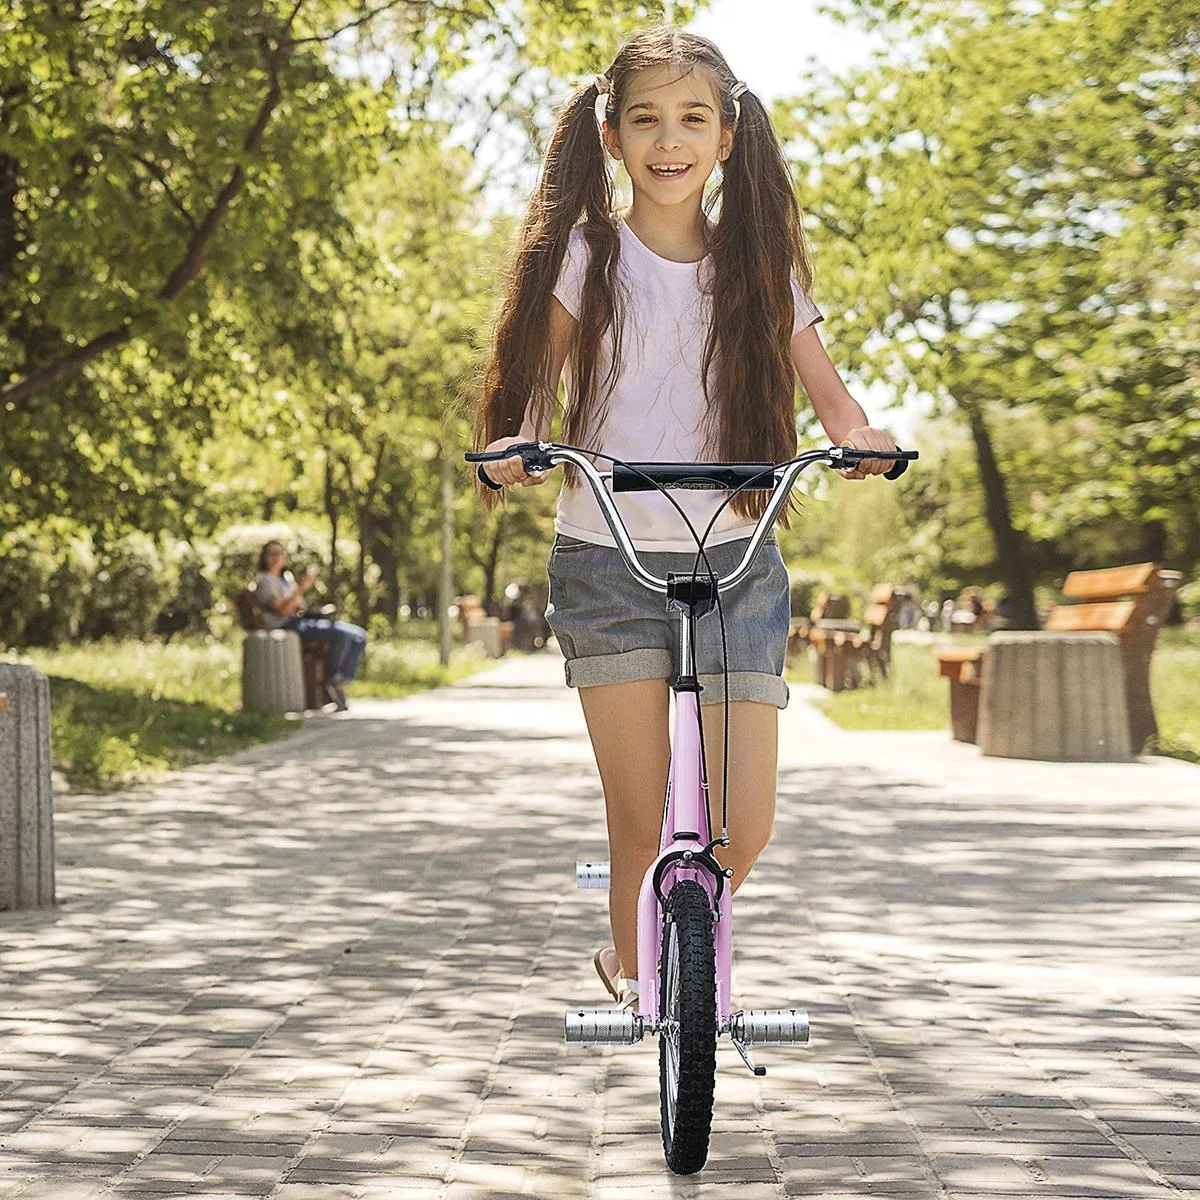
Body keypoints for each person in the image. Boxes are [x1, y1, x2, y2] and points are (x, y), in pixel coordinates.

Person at [472, 27, 899, 1009]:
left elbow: (829, 395)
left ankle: (675, 936)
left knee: (741, 826)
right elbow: (538, 377)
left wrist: (862, 436)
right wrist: (519, 439)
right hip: (608, 559)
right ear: (613, 137)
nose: (671, 138)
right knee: (638, 815)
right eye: (647, 119)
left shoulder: (759, 263)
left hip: (737, 560)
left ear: (728, 138)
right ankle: (643, 977)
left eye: (692, 119)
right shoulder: (589, 252)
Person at [254, 541, 367, 711]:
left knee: (359, 635)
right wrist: (300, 590)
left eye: (280, 553)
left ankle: (342, 681)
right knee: (341, 636)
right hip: (286, 626)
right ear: (264, 557)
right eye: (272, 553)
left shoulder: (286, 579)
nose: (276, 557)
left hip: (301, 621)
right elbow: (283, 611)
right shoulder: (264, 581)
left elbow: (300, 606)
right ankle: (332, 679)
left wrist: (297, 596)